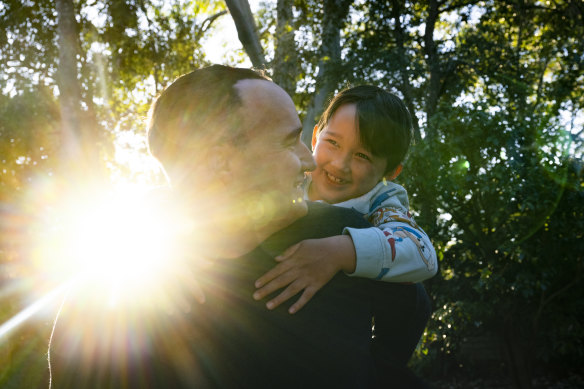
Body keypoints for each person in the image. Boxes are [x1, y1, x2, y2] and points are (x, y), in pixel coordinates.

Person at [48, 65, 431, 388]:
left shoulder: (346, 234)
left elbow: (406, 316)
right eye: (288, 142)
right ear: (221, 163)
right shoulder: (111, 287)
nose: (312, 162)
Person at [254, 85, 437, 314]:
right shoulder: (291, 175)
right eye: (333, 143)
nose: (340, 164)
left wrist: (340, 251)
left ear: (390, 173)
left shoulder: (380, 201)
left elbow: (422, 253)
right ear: (315, 138)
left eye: (362, 156)